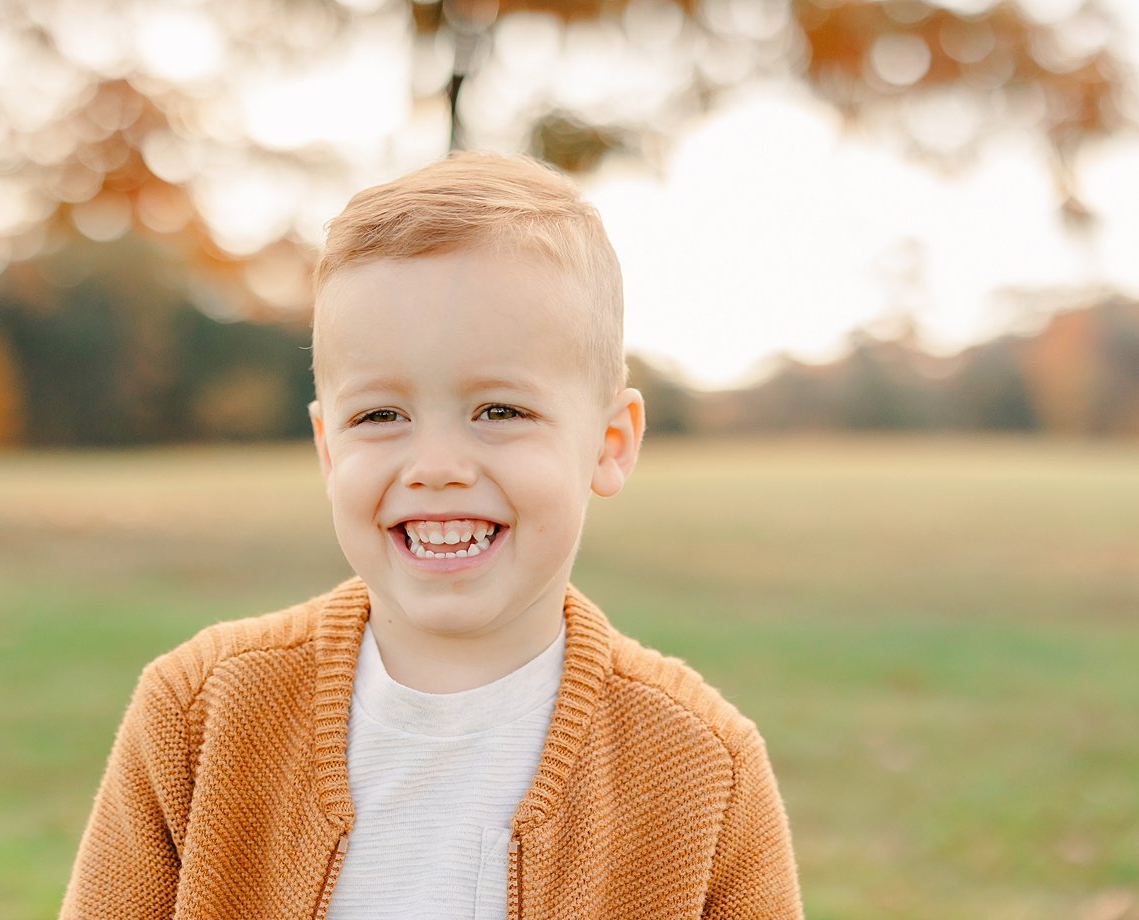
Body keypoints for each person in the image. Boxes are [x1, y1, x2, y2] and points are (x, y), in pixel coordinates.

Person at [60, 152, 802, 919]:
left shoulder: (703, 768)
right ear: (327, 449)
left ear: (611, 442)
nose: (437, 467)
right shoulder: (197, 717)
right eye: (381, 416)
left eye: (500, 411)